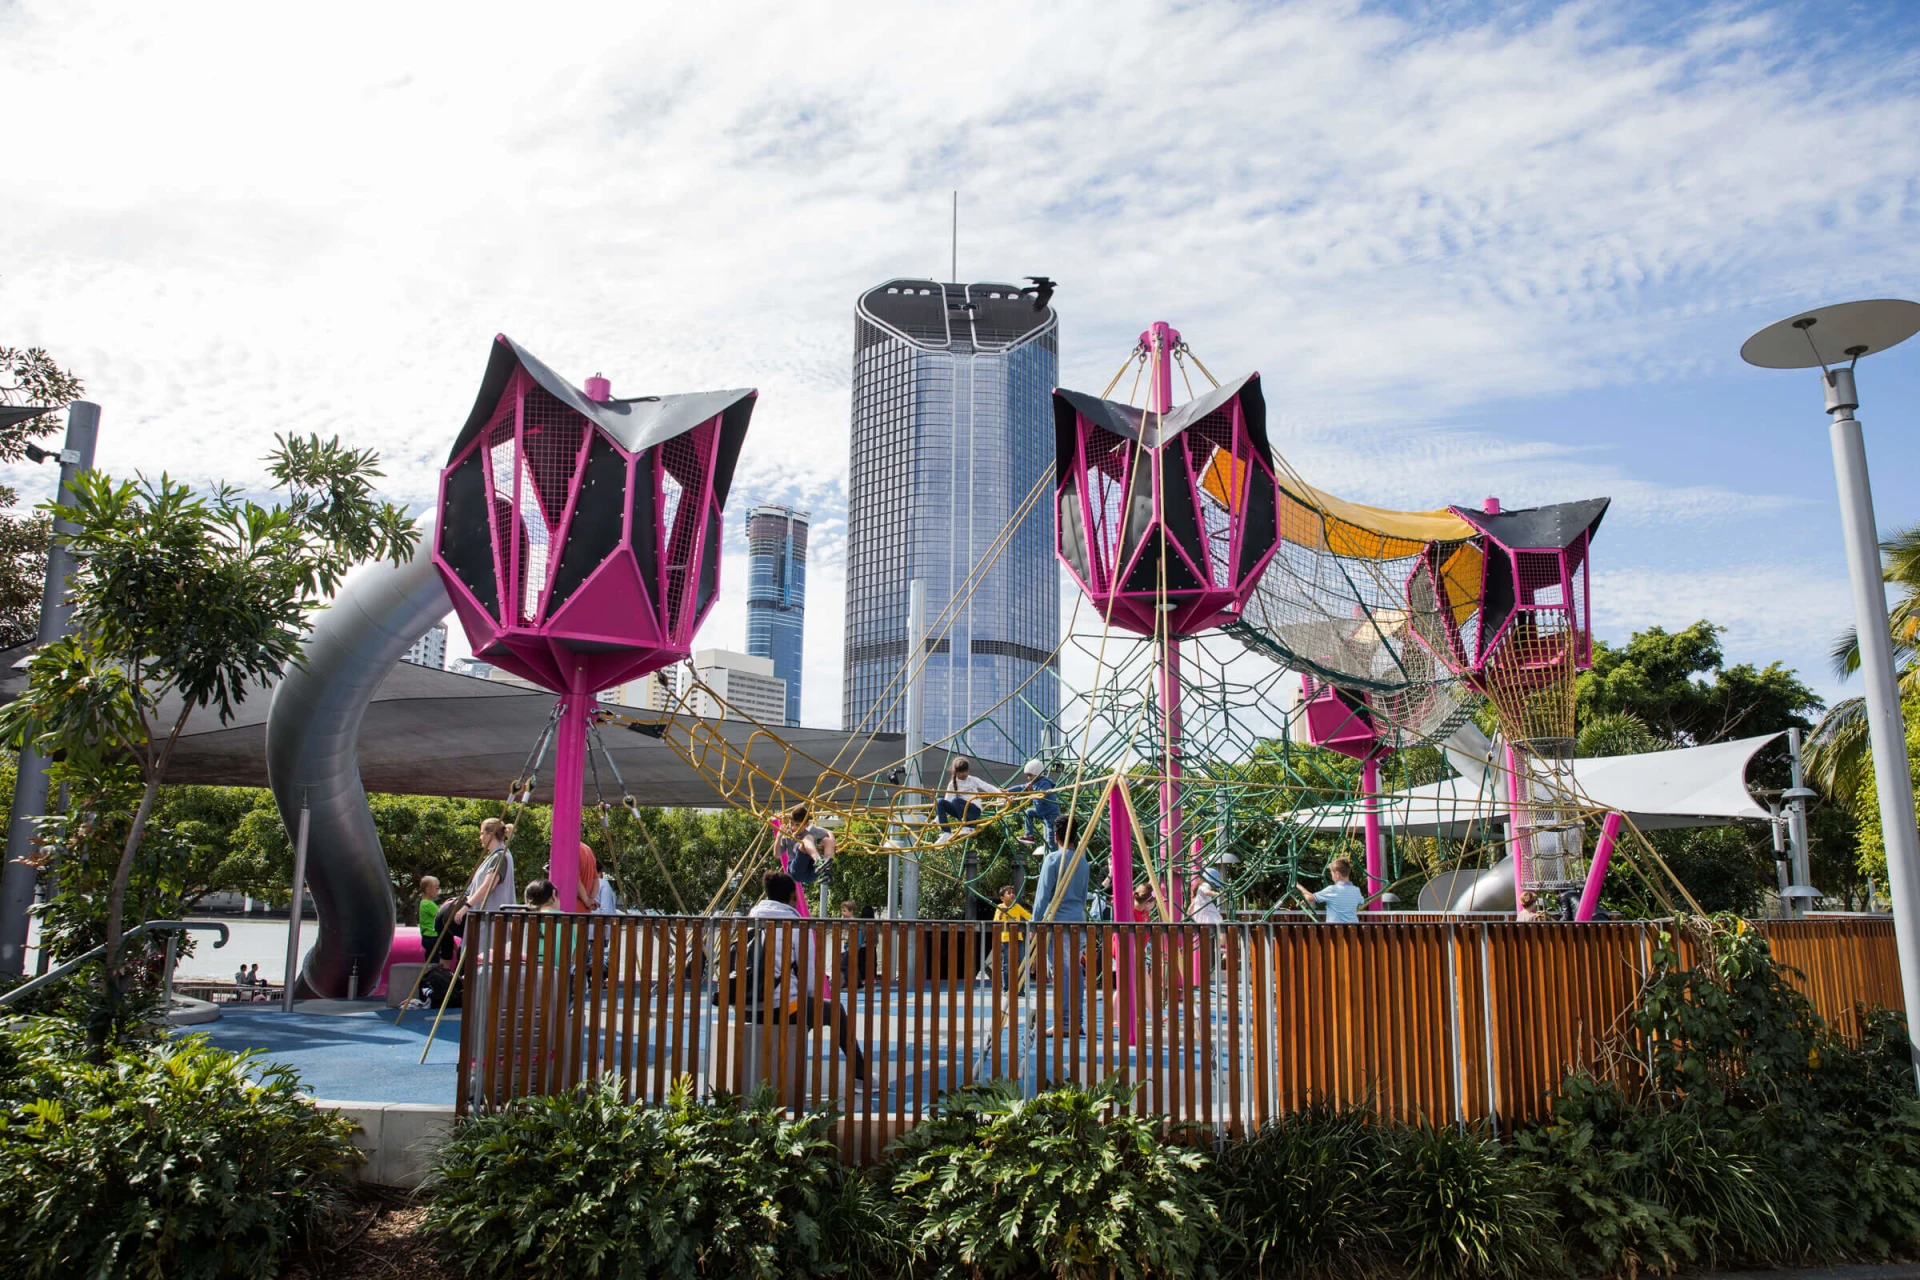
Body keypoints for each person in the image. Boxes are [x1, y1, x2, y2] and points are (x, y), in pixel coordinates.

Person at [748, 871, 867, 1086]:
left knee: (806, 1009)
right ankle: (861, 1072)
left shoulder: (750, 920)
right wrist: (813, 999)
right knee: (833, 1010)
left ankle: (788, 1061)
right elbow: (808, 971)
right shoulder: (796, 925)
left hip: (748, 1004)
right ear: (793, 897)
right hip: (780, 1006)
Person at [447, 819, 516, 940]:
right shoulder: (496, 855)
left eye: (481, 833)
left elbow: (488, 886)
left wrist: (466, 906)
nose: (480, 837)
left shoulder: (500, 856)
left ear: (489, 834)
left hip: (490, 921)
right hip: (487, 919)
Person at [934, 757, 996, 845]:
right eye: (961, 772)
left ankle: (968, 826)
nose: (963, 774)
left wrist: (1001, 795)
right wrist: (937, 819)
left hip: (973, 811)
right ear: (955, 772)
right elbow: (946, 800)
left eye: (965, 772)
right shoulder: (952, 784)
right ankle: (946, 832)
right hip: (961, 812)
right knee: (940, 801)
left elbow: (988, 787)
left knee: (956, 800)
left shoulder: (972, 780)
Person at [1009, 759, 1062, 854]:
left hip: (1051, 816)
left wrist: (1031, 792)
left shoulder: (1045, 783)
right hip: (1042, 812)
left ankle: (1055, 858)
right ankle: (1029, 835)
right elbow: (1022, 787)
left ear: (1037, 774)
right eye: (1027, 776)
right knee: (1029, 812)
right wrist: (1007, 791)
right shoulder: (1035, 783)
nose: (1028, 778)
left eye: (1030, 775)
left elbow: (1041, 797)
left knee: (1051, 842)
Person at [777, 804, 835, 887]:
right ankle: (820, 862)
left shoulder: (811, 830)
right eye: (791, 823)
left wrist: (832, 840)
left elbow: (829, 832)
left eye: (797, 825)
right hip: (796, 871)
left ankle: (826, 871)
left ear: (806, 824)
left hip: (811, 874)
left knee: (827, 841)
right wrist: (779, 837)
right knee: (807, 839)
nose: (793, 827)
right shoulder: (788, 834)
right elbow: (777, 854)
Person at [1299, 857, 1364, 923]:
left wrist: (1298, 886)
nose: (1331, 876)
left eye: (1331, 873)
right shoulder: (1356, 890)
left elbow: (1310, 898)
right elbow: (1361, 901)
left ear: (1337, 874)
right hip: (1353, 930)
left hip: (1334, 931)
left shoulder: (1332, 890)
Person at [993, 884, 1031, 992]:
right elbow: (996, 922)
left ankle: (1020, 989)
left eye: (1013, 893)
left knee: (1021, 964)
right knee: (1006, 965)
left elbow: (1028, 916)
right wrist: (1001, 913)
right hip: (1005, 940)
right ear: (1002, 898)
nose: (1012, 895)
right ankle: (1006, 989)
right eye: (1009, 893)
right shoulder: (999, 907)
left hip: (1018, 938)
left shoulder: (1017, 907)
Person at [418, 875, 442, 960]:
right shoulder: (428, 904)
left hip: (426, 936)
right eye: (436, 888)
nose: (437, 891)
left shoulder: (423, 903)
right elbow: (440, 915)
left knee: (430, 957)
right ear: (428, 890)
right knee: (434, 959)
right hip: (432, 935)